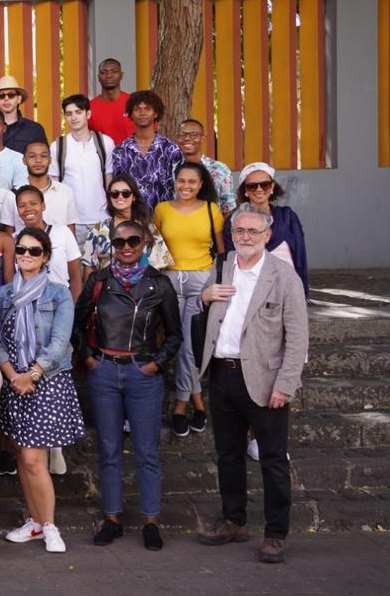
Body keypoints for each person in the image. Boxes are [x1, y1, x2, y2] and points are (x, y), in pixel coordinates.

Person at [195, 203, 309, 564]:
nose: (245, 237)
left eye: (252, 231)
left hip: (264, 378)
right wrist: (203, 297)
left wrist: (285, 384)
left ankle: (276, 533)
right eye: (239, 231)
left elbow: (298, 337)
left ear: (267, 235)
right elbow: (206, 313)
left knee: (273, 459)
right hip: (222, 374)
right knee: (228, 455)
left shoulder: (283, 275)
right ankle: (233, 520)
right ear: (232, 234)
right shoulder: (221, 265)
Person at [74, 220, 181, 551]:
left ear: (144, 242)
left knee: (147, 450)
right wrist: (89, 357)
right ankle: (112, 518)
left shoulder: (159, 284)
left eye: (133, 240)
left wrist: (156, 362)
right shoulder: (99, 281)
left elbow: (175, 333)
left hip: (142, 374)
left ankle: (151, 520)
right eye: (119, 242)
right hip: (104, 371)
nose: (126, 247)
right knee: (108, 449)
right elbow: (76, 325)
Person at [0, 227, 83, 554]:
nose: (27, 256)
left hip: (46, 381)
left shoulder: (58, 294)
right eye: (22, 250)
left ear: (45, 257)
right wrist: (13, 375)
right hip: (14, 383)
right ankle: (35, 523)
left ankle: (51, 526)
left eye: (34, 251)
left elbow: (59, 342)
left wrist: (33, 373)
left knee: (32, 458)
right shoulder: (2, 296)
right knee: (22, 456)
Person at [154, 161, 225, 438]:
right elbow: (156, 248)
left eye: (192, 182)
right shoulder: (162, 209)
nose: (186, 186)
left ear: (201, 184)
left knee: (189, 345)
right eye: (181, 181)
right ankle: (198, 401)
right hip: (170, 280)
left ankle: (180, 407)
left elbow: (221, 251)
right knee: (180, 342)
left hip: (201, 281)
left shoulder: (211, 209)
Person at [224, 162, 308, 299]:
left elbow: (300, 255)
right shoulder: (233, 221)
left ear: (272, 186)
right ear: (244, 190)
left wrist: (301, 287)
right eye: (252, 186)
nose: (259, 189)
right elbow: (230, 256)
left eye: (265, 184)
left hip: (285, 287)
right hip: (247, 289)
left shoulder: (286, 217)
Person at [50, 94, 115, 246]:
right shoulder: (58, 146)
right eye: (69, 113)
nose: (74, 117)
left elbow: (109, 179)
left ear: (88, 114)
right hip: (71, 221)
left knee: (103, 266)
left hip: (102, 218)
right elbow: (54, 185)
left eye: (78, 112)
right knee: (74, 268)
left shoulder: (105, 142)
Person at [81, 173, 174, 276]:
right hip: (108, 289)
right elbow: (89, 267)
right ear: (110, 198)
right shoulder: (98, 229)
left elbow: (158, 266)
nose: (120, 197)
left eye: (125, 193)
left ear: (133, 197)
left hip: (142, 289)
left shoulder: (147, 227)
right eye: (115, 194)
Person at [110, 89, 181, 209]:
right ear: (130, 114)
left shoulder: (171, 149)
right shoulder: (120, 151)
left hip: (163, 218)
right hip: (131, 219)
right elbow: (117, 189)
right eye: (137, 109)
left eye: (147, 109)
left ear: (156, 113)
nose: (142, 113)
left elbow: (179, 187)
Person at [15, 185, 82, 301]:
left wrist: (74, 308)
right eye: (22, 205)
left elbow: (76, 276)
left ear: (43, 206)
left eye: (33, 203)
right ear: (17, 210)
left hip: (61, 302)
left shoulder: (62, 232)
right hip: (28, 304)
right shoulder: (14, 239)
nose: (28, 208)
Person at [176, 118, 236, 215]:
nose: (187, 138)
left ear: (202, 139)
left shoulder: (219, 169)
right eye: (183, 134)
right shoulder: (172, 168)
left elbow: (228, 209)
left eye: (194, 135)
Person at [24, 141, 78, 234]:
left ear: (50, 160)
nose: (38, 160)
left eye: (44, 156)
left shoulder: (65, 192)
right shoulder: (14, 194)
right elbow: (10, 235)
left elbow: (70, 232)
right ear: (24, 160)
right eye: (32, 156)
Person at [0, 75, 47, 155]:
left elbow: (43, 161)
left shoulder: (35, 130)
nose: (6, 98)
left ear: (19, 99)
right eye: (1, 95)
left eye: (11, 95)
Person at [88, 59, 135, 145]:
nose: (109, 75)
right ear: (98, 77)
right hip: (102, 158)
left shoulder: (135, 103)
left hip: (131, 157)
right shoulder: (89, 108)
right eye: (104, 72)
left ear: (121, 75)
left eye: (114, 71)